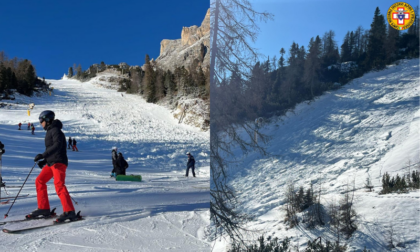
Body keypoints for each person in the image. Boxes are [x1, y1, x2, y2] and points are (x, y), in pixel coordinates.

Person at [29, 110, 77, 222]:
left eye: (41, 121)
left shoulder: (56, 130)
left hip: (58, 162)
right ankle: (43, 208)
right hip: (51, 163)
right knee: (39, 181)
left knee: (59, 185)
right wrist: (44, 160)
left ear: (47, 120)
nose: (41, 123)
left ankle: (69, 211)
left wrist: (43, 155)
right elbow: (52, 148)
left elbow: (57, 145)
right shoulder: (51, 131)